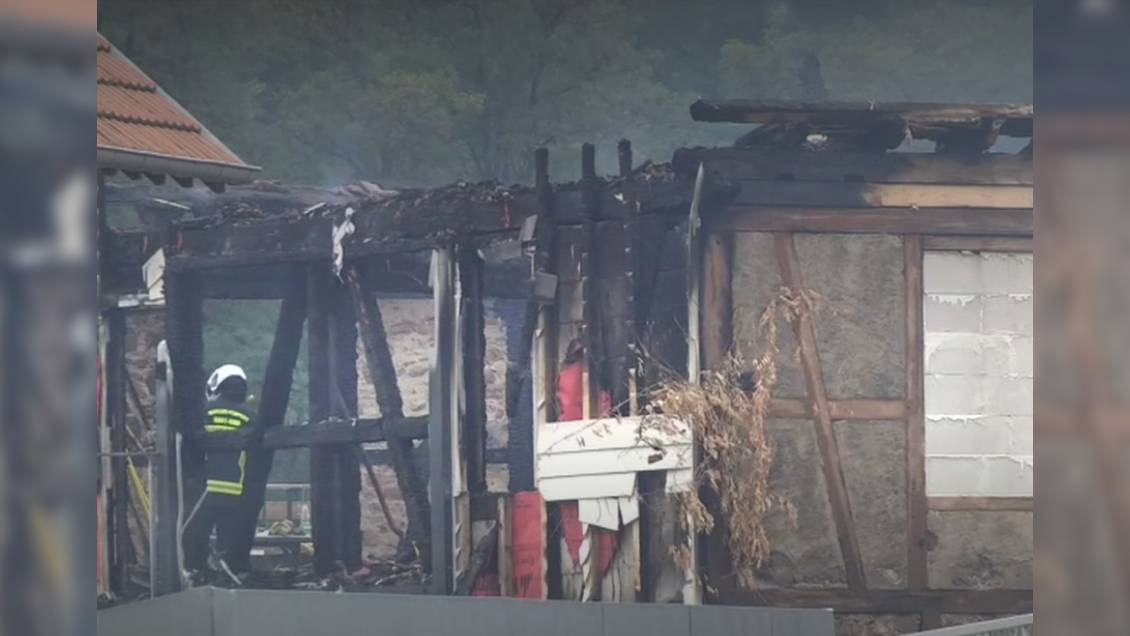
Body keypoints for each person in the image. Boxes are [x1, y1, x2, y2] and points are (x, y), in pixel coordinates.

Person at [183, 364, 259, 583]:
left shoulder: (201, 415)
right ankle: (230, 576)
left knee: (195, 538)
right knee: (229, 544)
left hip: (204, 491)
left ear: (215, 386)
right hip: (236, 492)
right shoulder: (252, 418)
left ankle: (196, 575)